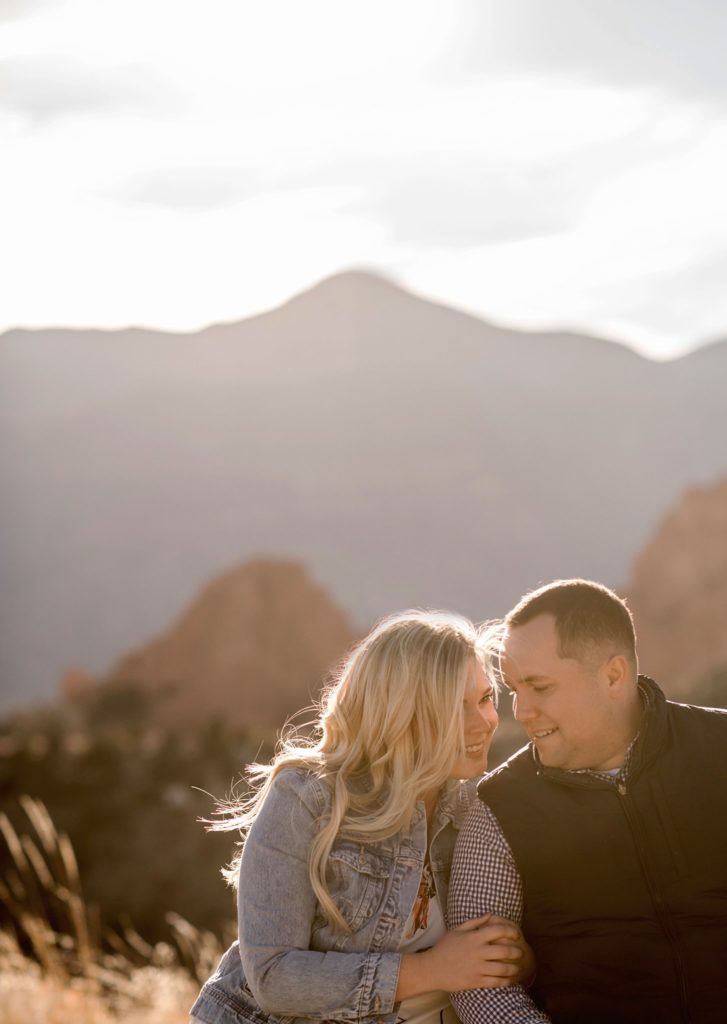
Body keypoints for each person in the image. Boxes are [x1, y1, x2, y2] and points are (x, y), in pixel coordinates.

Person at [190, 610, 534, 1024]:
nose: (484, 722)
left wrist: (519, 960)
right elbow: (273, 976)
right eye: (453, 707)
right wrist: (431, 970)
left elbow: (504, 958)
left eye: (484, 698)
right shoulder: (307, 796)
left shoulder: (479, 809)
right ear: (400, 713)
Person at [448, 578, 727, 1024]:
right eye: (514, 689)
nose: (520, 712)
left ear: (613, 675)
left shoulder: (719, 747)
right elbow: (482, 990)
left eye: (540, 687)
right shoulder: (500, 808)